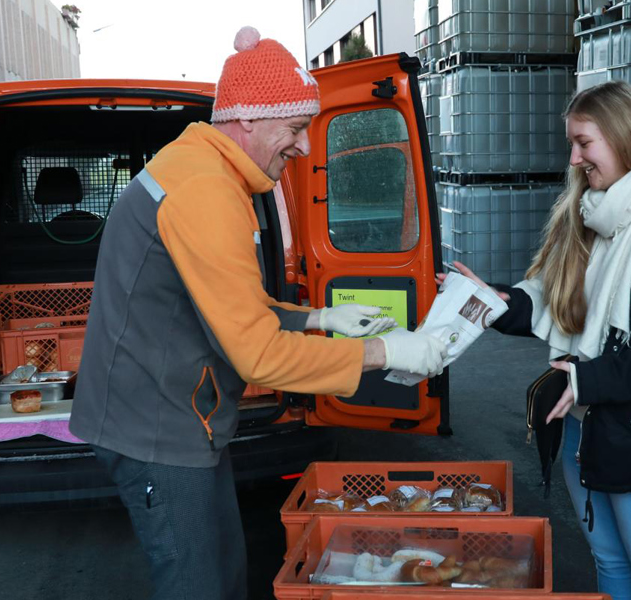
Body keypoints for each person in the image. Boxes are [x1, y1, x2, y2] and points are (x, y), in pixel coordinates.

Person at [69, 26, 447, 600]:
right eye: (295, 129)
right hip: (156, 429)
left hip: (180, 417)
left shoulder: (208, 170)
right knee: (200, 584)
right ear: (248, 119)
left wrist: (319, 318)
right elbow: (258, 355)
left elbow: (232, 302)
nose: (303, 147)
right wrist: (386, 352)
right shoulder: (204, 191)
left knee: (225, 569)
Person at [445, 80, 631, 600]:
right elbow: (553, 297)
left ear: (623, 137)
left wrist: (590, 378)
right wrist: (496, 303)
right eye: (572, 144)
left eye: (585, 143)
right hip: (586, 426)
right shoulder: (590, 213)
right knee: (611, 564)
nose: (576, 157)